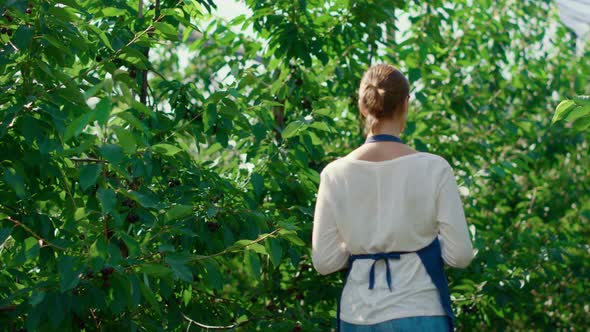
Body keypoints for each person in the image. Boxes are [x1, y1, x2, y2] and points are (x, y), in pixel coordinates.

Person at [311, 64, 474, 332]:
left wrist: (363, 246)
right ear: (406, 104)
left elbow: (324, 262)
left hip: (358, 314)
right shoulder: (434, 168)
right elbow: (461, 255)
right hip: (421, 309)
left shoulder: (334, 174)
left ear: (363, 107)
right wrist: (418, 244)